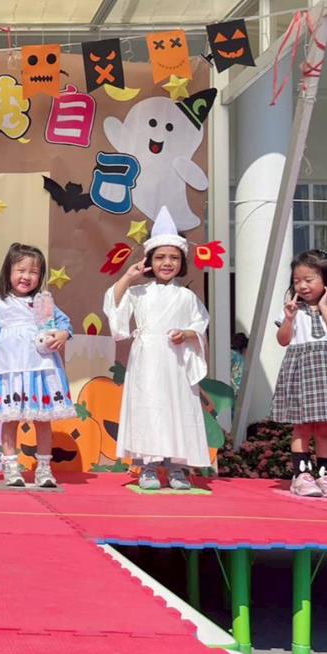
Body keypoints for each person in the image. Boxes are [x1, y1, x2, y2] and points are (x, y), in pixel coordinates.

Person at [103, 207, 211, 490]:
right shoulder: (138, 292)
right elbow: (114, 306)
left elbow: (200, 325)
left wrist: (186, 334)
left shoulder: (186, 296)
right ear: (149, 259)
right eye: (160, 257)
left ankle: (176, 467)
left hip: (176, 361)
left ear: (182, 262)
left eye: (174, 257)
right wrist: (128, 277)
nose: (167, 263)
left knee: (177, 408)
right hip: (147, 359)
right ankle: (148, 466)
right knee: (148, 407)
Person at [0, 243, 75, 488]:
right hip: (9, 368)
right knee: (10, 418)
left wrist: (62, 335)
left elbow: (65, 325)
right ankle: (10, 467)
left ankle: (44, 469)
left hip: (39, 369)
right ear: (9, 271)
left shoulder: (42, 302)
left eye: (33, 272)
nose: (26, 276)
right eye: (21, 270)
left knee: (42, 420)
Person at [273, 249, 327, 499]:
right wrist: (289, 318)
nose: (302, 286)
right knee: (301, 426)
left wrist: (323, 307)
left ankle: (326, 476)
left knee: (324, 428)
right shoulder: (293, 309)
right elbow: (282, 340)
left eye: (308, 280)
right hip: (300, 370)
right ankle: (301, 476)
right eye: (296, 280)